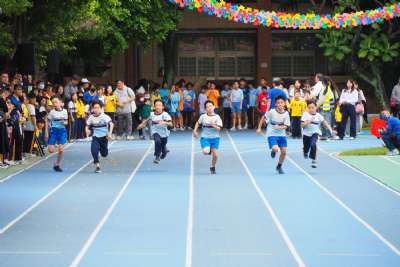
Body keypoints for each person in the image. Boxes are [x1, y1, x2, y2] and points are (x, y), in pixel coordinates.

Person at [257, 95, 290, 174]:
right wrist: (259, 128)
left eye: (282, 103)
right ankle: (273, 150)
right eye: (278, 103)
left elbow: (286, 126)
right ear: (276, 104)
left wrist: (279, 127)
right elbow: (263, 118)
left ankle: (279, 166)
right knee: (275, 149)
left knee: (284, 152)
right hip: (271, 134)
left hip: (282, 135)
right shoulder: (272, 112)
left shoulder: (286, 114)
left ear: (284, 104)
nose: (280, 104)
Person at [138, 99, 173, 164]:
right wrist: (142, 124)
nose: (158, 107)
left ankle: (164, 151)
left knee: (163, 145)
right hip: (155, 132)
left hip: (164, 134)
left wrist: (164, 122)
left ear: (162, 107)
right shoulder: (152, 114)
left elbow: (171, 124)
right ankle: (157, 157)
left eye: (159, 105)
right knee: (157, 141)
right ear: (154, 107)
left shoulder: (165, 115)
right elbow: (148, 119)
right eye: (156, 105)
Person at [193, 100, 223, 175]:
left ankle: (213, 167)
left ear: (214, 107)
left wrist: (214, 126)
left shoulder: (217, 117)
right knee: (206, 152)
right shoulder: (203, 116)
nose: (209, 108)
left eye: (210, 106)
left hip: (215, 138)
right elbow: (198, 123)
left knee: (216, 155)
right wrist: (195, 130)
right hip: (205, 138)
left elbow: (219, 128)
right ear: (205, 109)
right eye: (207, 107)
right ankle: (208, 150)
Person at [301, 100, 333, 168]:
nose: (311, 109)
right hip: (306, 134)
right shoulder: (305, 114)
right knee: (306, 147)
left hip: (315, 133)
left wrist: (329, 128)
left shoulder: (318, 115)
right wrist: (308, 121)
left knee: (313, 144)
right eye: (309, 108)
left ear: (316, 107)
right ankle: (305, 151)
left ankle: (313, 160)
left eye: (312, 107)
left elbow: (324, 122)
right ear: (307, 108)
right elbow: (302, 125)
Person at [85, 101, 114, 173]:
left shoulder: (104, 116)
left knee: (104, 154)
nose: (96, 109)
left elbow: (111, 124)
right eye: (94, 108)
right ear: (92, 109)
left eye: (98, 108)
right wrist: (87, 131)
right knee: (94, 151)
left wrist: (110, 133)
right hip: (95, 137)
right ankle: (97, 166)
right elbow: (87, 126)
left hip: (104, 137)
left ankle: (103, 150)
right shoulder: (91, 117)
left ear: (101, 109)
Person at [46, 97, 68, 172]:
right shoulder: (52, 112)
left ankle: (57, 164)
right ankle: (53, 145)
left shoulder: (65, 111)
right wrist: (46, 131)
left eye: (56, 102)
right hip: (54, 131)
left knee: (61, 150)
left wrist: (63, 122)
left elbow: (66, 122)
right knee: (51, 150)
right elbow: (47, 121)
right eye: (53, 102)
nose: (54, 104)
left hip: (62, 131)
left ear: (60, 103)